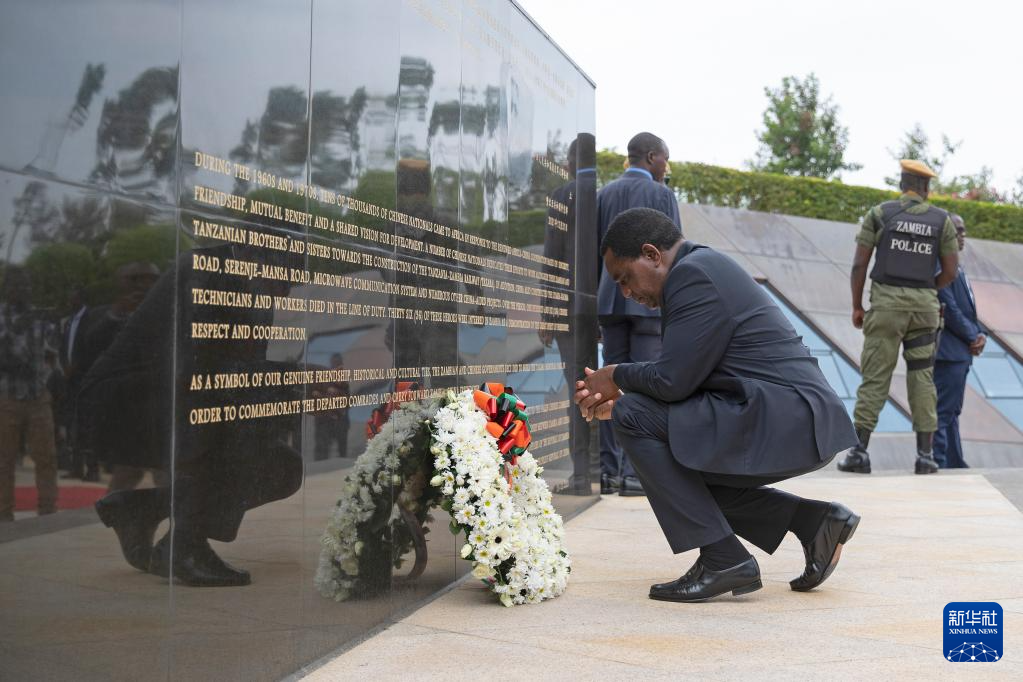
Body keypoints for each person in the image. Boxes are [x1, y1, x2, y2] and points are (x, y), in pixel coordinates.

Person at [575, 207, 859, 603]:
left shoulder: (692, 275)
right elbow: (688, 378)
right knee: (660, 447)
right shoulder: (700, 268)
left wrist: (616, 375)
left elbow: (672, 380)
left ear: (652, 254)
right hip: (788, 415)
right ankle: (814, 523)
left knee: (635, 418)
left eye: (625, 278)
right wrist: (632, 397)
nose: (625, 293)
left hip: (788, 417)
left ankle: (724, 558)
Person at [840, 160, 959, 475]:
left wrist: (857, 306)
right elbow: (951, 271)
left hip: (887, 309)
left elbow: (859, 265)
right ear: (926, 188)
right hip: (924, 312)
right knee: (922, 378)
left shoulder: (881, 214)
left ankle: (859, 452)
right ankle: (925, 457)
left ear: (902, 184)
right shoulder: (942, 221)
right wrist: (927, 289)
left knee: (876, 376)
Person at [596, 132, 681, 497]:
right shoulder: (662, 195)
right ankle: (635, 474)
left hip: (609, 302)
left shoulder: (604, 194)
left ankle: (608, 472)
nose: (666, 166)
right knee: (644, 384)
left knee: (607, 383)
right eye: (664, 158)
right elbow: (674, 256)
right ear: (650, 157)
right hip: (649, 305)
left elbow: (594, 253)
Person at [540, 133, 599, 495]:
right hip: (604, 311)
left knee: (578, 390)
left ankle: (581, 477)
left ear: (571, 162)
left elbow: (552, 259)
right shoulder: (605, 194)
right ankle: (605, 470)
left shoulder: (563, 196)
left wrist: (546, 313)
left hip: (570, 311)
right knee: (607, 389)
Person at [0, 269, 59, 521]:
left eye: (26, 285)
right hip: (6, 397)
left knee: (47, 457)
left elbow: (52, 355)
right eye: (16, 286)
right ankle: (3, 513)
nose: (22, 290)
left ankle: (47, 511)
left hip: (38, 397)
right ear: (6, 289)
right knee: (4, 459)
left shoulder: (41, 318)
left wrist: (40, 376)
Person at [934, 214, 984, 468]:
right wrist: (973, 335)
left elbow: (968, 309)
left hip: (960, 352)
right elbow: (950, 308)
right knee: (943, 411)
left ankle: (954, 463)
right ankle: (938, 462)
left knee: (952, 410)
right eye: (957, 231)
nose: (962, 236)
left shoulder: (957, 266)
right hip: (948, 352)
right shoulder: (940, 265)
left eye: (964, 231)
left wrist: (980, 333)